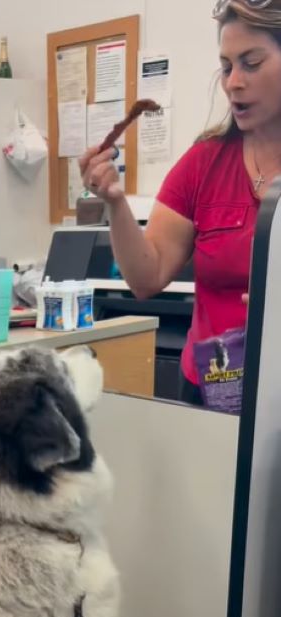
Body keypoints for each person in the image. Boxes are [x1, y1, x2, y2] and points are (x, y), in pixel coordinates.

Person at [80, 0, 281, 405]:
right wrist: (115, 204)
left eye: (252, 63)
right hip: (210, 395)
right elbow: (145, 277)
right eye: (226, 67)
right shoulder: (204, 162)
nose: (233, 82)